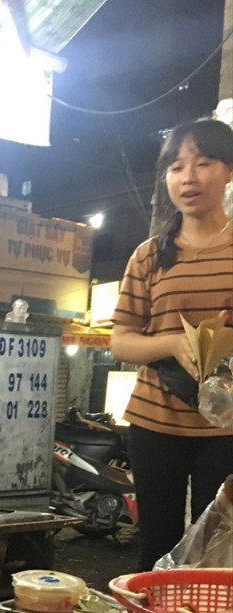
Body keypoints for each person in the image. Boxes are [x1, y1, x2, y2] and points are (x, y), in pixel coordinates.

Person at [111, 117, 233, 571]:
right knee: (155, 542)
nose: (188, 178)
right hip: (155, 419)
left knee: (215, 547)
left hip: (225, 426)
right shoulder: (148, 256)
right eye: (176, 167)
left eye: (203, 163)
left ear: (229, 170)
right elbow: (122, 341)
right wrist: (173, 343)